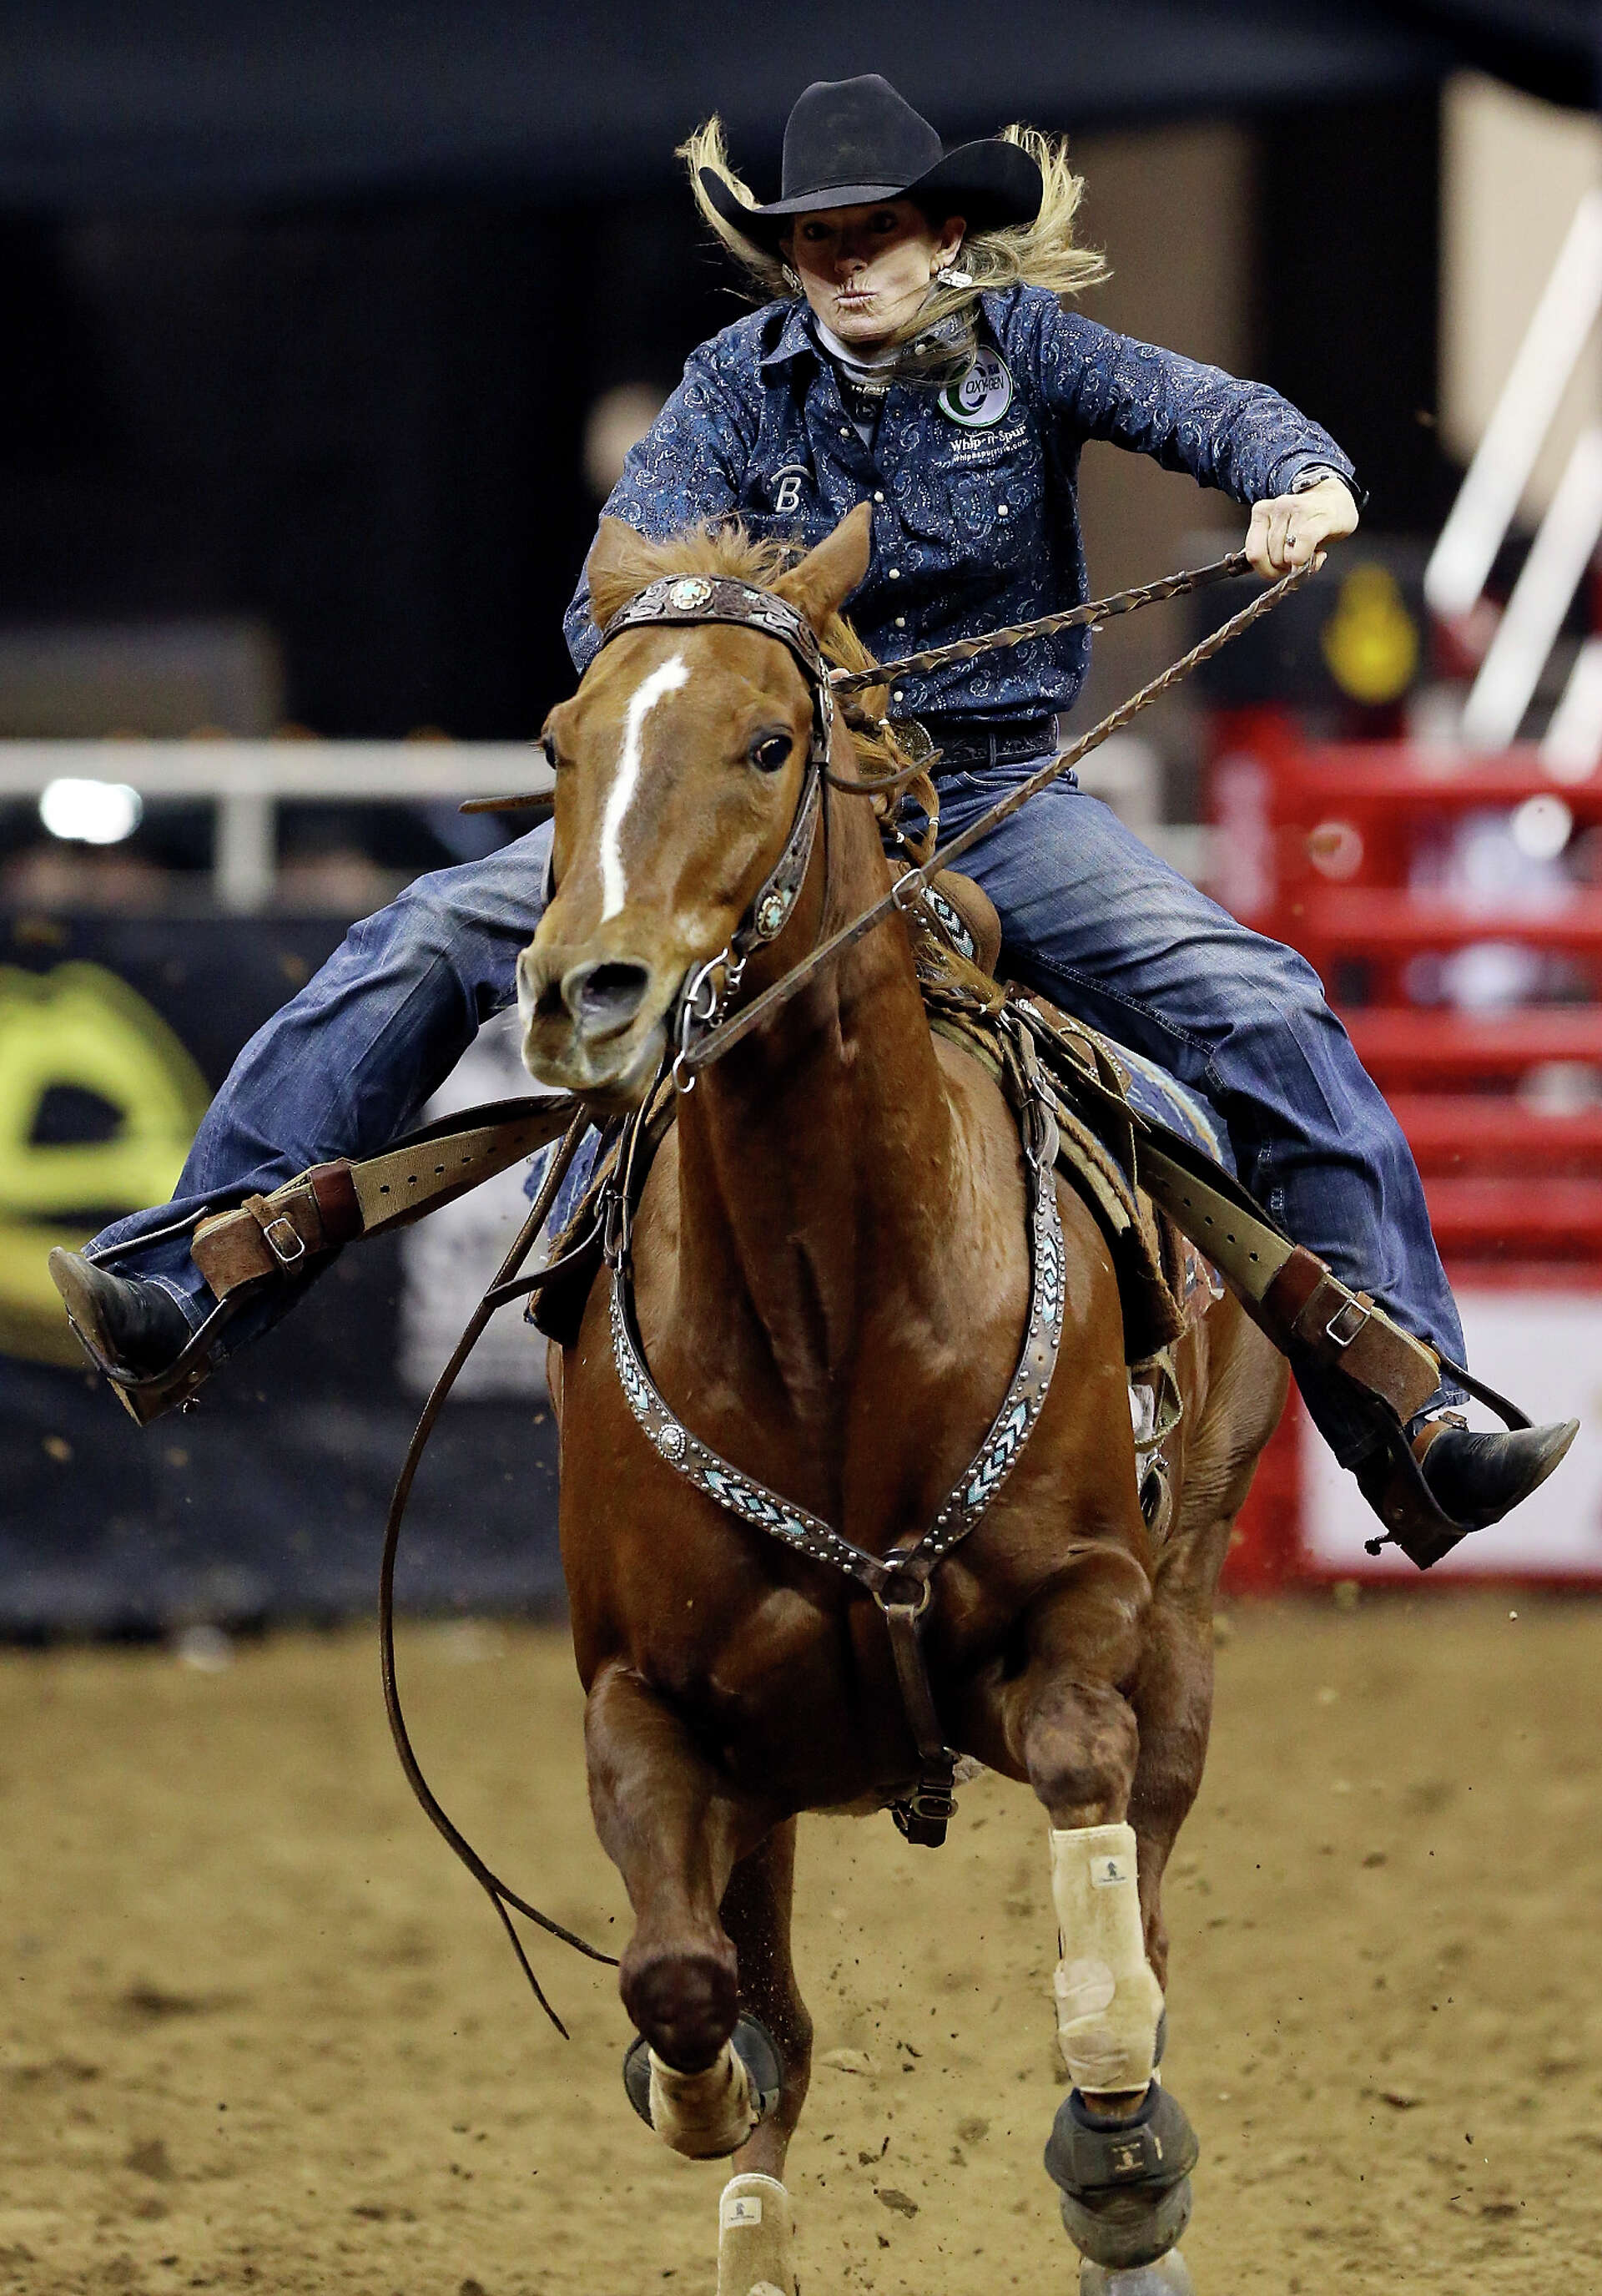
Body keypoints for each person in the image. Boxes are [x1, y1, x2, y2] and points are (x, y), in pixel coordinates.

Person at [52, 73, 1574, 1550]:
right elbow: (617, 595)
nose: (849, 263)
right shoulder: (734, 387)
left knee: (1256, 999)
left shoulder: (1033, 354)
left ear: (945, 241)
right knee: (429, 931)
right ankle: (194, 1276)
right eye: (820, 239)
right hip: (752, 793)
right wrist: (719, 678)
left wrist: (1299, 477)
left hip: (988, 798)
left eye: (878, 231)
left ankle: (1413, 1411)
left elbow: (1213, 409)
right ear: (793, 257)